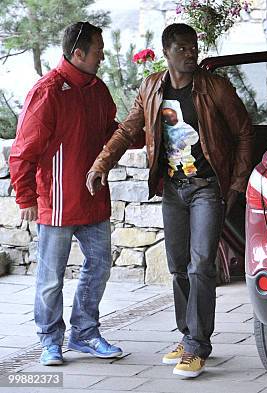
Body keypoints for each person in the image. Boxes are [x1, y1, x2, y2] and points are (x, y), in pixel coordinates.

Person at [86, 23, 253, 378]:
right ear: (166, 52)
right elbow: (129, 129)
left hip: (208, 187)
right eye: (182, 48)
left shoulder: (214, 88)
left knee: (200, 265)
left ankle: (197, 346)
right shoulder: (151, 87)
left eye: (194, 46)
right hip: (174, 190)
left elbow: (243, 132)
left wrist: (237, 185)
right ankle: (187, 334)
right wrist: (102, 162)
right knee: (178, 266)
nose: (191, 53)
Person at [9, 22, 123, 366]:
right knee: (50, 278)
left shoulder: (98, 89)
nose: (102, 56)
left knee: (100, 267)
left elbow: (112, 131)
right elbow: (23, 150)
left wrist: (149, 132)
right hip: (56, 203)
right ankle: (50, 341)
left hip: (94, 199)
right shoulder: (47, 91)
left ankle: (85, 333)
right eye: (98, 51)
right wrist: (26, 196)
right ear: (78, 53)